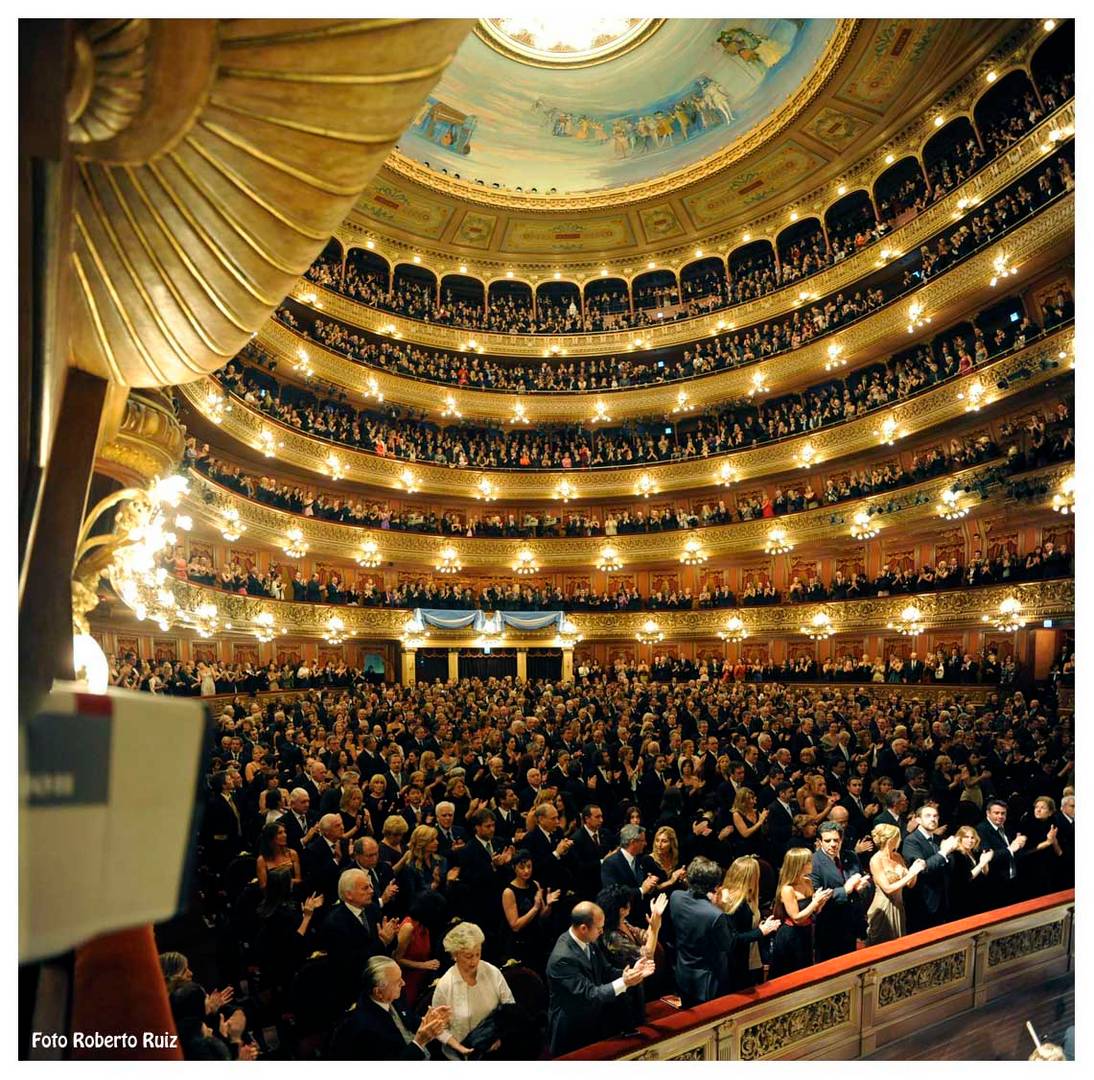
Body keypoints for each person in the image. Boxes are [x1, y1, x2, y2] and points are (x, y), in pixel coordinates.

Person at [545, 901, 655, 1057]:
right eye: (599, 928)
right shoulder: (562, 958)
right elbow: (589, 994)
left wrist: (631, 972)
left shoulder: (589, 941)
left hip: (595, 1020)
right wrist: (624, 982)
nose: (602, 932)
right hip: (572, 1029)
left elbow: (606, 971)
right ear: (583, 928)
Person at [327, 956, 451, 1059]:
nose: (403, 983)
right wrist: (419, 1042)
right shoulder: (365, 1028)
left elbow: (411, 1020)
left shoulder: (394, 995)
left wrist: (430, 1021)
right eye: (397, 981)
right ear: (379, 992)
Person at [431, 921, 518, 1059]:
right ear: (455, 954)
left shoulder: (492, 971)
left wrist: (499, 1037)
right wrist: (461, 1048)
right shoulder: (446, 985)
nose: (475, 961)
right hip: (460, 1055)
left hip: (495, 1047)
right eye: (468, 956)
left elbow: (509, 1005)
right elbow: (437, 1028)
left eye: (478, 954)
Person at [810, 820, 871, 961]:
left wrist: (862, 887)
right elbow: (816, 897)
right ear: (820, 842)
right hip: (829, 926)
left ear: (841, 839)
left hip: (852, 922)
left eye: (836, 840)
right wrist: (845, 890)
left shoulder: (851, 856)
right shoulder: (813, 862)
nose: (833, 844)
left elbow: (864, 879)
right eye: (828, 840)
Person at [719, 855, 781, 991]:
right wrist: (761, 931)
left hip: (753, 958)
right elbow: (733, 940)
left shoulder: (749, 896)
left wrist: (762, 927)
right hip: (738, 964)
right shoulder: (734, 903)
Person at [770, 848, 832, 979]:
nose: (812, 864)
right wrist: (815, 902)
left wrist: (821, 902)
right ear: (798, 865)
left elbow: (814, 911)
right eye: (808, 862)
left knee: (805, 971)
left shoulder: (808, 881)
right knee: (789, 974)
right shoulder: (787, 889)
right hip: (791, 935)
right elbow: (796, 918)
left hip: (807, 932)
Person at [900, 802, 960, 931]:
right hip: (923, 901)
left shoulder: (939, 838)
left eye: (935, 816)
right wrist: (944, 852)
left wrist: (947, 853)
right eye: (928, 816)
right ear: (918, 819)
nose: (933, 819)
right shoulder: (911, 840)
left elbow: (949, 865)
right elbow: (922, 869)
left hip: (943, 898)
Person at [865, 824, 925, 944]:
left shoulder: (897, 856)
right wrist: (910, 873)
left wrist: (915, 871)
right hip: (883, 908)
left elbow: (910, 884)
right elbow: (887, 889)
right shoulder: (876, 860)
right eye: (898, 837)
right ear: (890, 840)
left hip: (899, 906)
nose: (900, 840)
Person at [501, 849, 558, 970]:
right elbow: (515, 925)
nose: (526, 871)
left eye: (529, 866)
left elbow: (542, 916)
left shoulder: (535, 884)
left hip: (537, 939)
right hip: (520, 944)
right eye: (522, 867)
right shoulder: (509, 892)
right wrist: (535, 908)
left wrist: (548, 905)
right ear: (514, 868)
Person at [394, 891, 445, 1011]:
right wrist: (423, 965)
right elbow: (396, 959)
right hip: (406, 981)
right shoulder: (408, 927)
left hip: (418, 979)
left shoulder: (423, 926)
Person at [976, 799, 1027, 908]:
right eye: (996, 813)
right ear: (988, 813)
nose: (1000, 816)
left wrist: (1022, 840)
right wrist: (1010, 849)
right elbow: (989, 856)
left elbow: (1016, 845)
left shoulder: (1007, 826)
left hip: (1013, 878)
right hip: (995, 883)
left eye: (1003, 813)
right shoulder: (981, 829)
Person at [1017, 796, 1064, 899]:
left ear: (1050, 812)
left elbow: (1060, 853)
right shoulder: (1026, 824)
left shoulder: (1055, 824)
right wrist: (1048, 842)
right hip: (1031, 867)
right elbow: (1027, 852)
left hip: (1051, 866)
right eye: (1036, 807)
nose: (1038, 810)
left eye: (1042, 807)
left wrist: (1054, 840)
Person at [948, 825, 994, 918]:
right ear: (960, 838)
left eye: (972, 838)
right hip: (964, 898)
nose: (970, 840)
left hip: (978, 895)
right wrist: (982, 863)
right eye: (966, 837)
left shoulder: (974, 852)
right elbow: (967, 877)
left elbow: (985, 873)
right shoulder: (956, 855)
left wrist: (985, 861)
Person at [256, 821, 302, 890]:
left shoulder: (292, 853)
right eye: (280, 833)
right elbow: (263, 886)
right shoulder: (262, 860)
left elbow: (299, 880)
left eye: (285, 832)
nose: (285, 835)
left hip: (292, 892)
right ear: (270, 837)